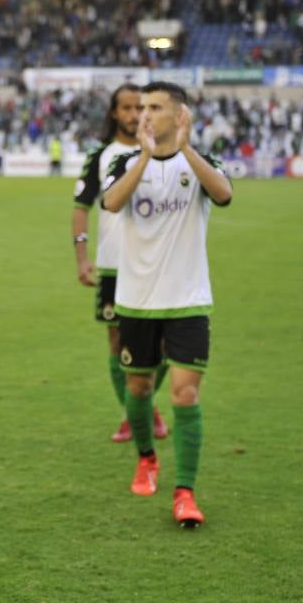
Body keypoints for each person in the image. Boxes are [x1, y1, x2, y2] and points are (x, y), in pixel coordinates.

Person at [101, 82, 232, 528]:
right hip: (136, 302)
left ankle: (185, 492)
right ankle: (146, 458)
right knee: (138, 391)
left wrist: (186, 148)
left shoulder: (200, 163)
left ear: (178, 115)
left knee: (185, 393)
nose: (143, 114)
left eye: (154, 108)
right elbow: (112, 202)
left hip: (188, 301)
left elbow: (224, 194)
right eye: (140, 108)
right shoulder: (123, 162)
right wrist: (144, 155)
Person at [71, 84, 169, 444]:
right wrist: (82, 258)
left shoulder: (163, 150)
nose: (132, 114)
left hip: (157, 263)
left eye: (138, 107)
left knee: (166, 348)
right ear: (114, 112)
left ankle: (140, 405)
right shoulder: (101, 154)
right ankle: (136, 414)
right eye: (125, 108)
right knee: (118, 343)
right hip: (114, 264)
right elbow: (81, 208)